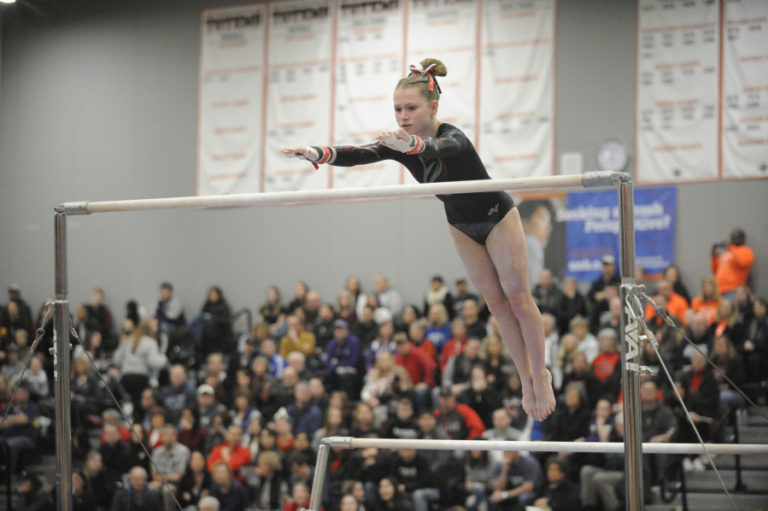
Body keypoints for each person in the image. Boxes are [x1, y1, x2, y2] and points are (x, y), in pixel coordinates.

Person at [283, 58, 556, 421]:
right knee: (496, 303)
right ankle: (525, 379)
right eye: (398, 109)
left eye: (411, 108)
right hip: (460, 225)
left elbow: (441, 150)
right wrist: (319, 153)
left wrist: (410, 144)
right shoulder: (400, 141)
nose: (403, 115)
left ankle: (541, 372)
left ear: (433, 107)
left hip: (496, 216)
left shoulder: (452, 135)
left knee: (518, 299)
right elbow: (361, 153)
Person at [113, 317, 167, 414]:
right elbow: (154, 363)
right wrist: (163, 360)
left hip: (126, 379)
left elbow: (116, 360)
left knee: (133, 401)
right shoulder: (150, 342)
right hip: (140, 379)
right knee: (141, 403)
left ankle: (129, 408)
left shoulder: (128, 341)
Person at [518, 200, 554, 289]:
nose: (549, 227)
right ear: (523, 222)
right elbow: (533, 286)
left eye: (549, 221)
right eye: (543, 218)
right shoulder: (531, 242)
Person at [711, 228, 755, 299]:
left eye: (735, 237)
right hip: (719, 290)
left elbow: (743, 263)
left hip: (733, 290)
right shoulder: (727, 252)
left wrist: (731, 248)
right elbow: (716, 271)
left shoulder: (746, 250)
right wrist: (714, 258)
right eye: (732, 237)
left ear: (742, 238)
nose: (733, 239)